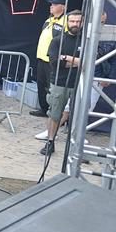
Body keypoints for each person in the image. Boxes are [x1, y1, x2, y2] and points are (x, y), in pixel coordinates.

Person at [40, 10, 83, 157]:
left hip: (79, 83)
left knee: (79, 116)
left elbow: (88, 63)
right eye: (72, 21)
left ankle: (75, 147)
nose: (75, 24)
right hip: (59, 82)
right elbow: (54, 63)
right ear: (67, 22)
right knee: (54, 114)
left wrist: (65, 57)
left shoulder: (86, 41)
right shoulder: (58, 40)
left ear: (83, 23)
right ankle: (50, 142)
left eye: (78, 21)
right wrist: (77, 62)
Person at [32, 0, 67, 118]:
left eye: (55, 4)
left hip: (52, 60)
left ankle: (53, 111)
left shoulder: (65, 21)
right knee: (41, 85)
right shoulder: (49, 20)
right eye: (51, 4)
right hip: (41, 57)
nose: (51, 6)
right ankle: (44, 108)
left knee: (51, 87)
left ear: (63, 7)